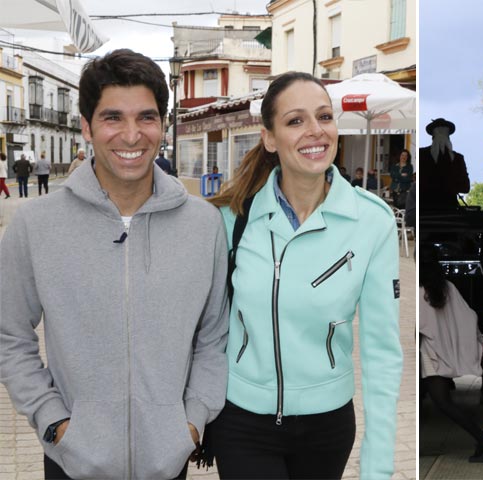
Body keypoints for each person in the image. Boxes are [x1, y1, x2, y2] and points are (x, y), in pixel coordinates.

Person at [0, 49, 230, 480]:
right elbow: (9, 336)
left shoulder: (204, 224)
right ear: (86, 126)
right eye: (112, 118)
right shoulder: (35, 224)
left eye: (146, 117)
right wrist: (53, 421)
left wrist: (192, 423)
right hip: (71, 460)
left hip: (169, 458)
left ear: (163, 125)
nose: (131, 135)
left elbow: (214, 336)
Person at [206, 71, 403, 480]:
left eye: (324, 117)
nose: (316, 131)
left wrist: (379, 467)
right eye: (296, 121)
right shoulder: (231, 219)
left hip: (326, 426)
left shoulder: (372, 222)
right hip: (242, 420)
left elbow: (383, 353)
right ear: (270, 138)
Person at [419, 245, 483, 463]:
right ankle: (482, 440)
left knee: (442, 402)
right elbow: (468, 317)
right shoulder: (448, 287)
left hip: (429, 354)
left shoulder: (419, 291)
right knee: (438, 401)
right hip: (439, 353)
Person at [418, 118, 470, 210]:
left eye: (444, 132)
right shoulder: (421, 155)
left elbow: (466, 187)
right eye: (439, 132)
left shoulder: (458, 158)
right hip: (425, 209)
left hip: (448, 209)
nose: (441, 135)